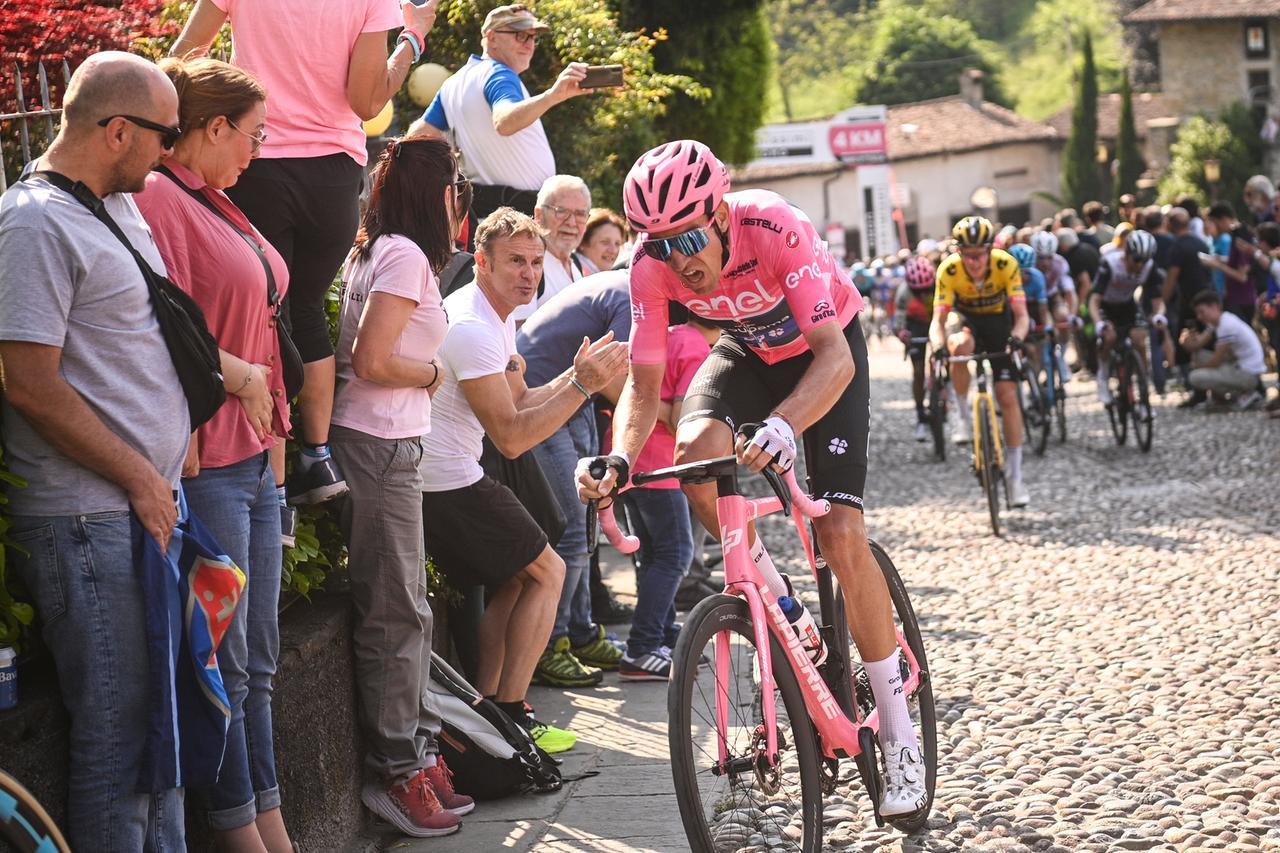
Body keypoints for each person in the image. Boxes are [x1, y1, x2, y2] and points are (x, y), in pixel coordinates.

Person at [576, 139, 928, 817]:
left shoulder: (771, 225)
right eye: (661, 243)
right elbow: (643, 387)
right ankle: (777, 595)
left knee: (840, 531)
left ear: (717, 214)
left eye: (687, 239)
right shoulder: (651, 267)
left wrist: (787, 424)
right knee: (694, 451)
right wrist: (618, 458)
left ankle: (899, 730)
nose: (680, 259)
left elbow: (833, 357)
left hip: (825, 355)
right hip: (747, 351)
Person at [0, 51, 189, 850]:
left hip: (136, 509)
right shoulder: (34, 221)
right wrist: (142, 476)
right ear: (118, 131)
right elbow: (27, 381)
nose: (171, 151)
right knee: (119, 745)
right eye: (165, 135)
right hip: (89, 518)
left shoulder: (111, 206)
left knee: (157, 744)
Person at [172, 0, 441, 512]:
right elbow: (366, 101)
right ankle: (316, 456)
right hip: (332, 173)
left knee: (263, 317)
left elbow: (185, 55)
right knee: (306, 309)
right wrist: (412, 40)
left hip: (255, 158)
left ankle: (271, 485)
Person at [133, 56, 295, 851]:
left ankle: (272, 823)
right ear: (214, 126)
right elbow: (170, 330)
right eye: (253, 136)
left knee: (257, 661)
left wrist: (279, 453)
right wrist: (193, 451)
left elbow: (262, 328)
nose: (258, 152)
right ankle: (240, 835)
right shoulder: (164, 198)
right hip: (214, 463)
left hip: (255, 458)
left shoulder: (217, 201)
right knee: (225, 664)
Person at [419, 208, 627, 754]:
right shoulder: (470, 326)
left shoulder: (498, 315)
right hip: (443, 481)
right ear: (481, 263)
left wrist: (572, 377)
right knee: (548, 571)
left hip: (453, 473)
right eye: (515, 261)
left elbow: (519, 401)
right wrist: (582, 387)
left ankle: (485, 709)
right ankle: (512, 715)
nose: (529, 274)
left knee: (518, 578)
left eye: (535, 263)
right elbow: (511, 437)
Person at [330, 136, 475, 838]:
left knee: (408, 604)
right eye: (455, 186)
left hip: (382, 442)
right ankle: (396, 771)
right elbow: (373, 358)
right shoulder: (405, 256)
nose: (460, 198)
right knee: (395, 611)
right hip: (381, 441)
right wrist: (431, 375)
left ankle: (415, 756)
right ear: (437, 193)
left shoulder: (376, 248)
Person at [516, 270, 634, 688]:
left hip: (576, 394)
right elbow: (627, 387)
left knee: (587, 519)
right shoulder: (632, 297)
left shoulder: (624, 286)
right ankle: (550, 645)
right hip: (541, 396)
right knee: (572, 519)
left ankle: (580, 632)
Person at [414, 4, 591, 222]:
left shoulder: (454, 82)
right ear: (491, 37)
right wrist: (553, 95)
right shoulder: (500, 74)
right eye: (519, 35)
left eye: (533, 37)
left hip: (489, 214)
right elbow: (505, 122)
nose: (529, 44)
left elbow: (416, 138)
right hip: (520, 216)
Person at [612, 315, 715, 680]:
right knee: (675, 555)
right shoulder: (696, 346)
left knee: (653, 557)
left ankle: (662, 633)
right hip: (662, 466)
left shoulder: (667, 335)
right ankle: (642, 646)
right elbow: (683, 418)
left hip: (633, 462)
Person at [932, 216, 1032, 508]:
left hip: (1000, 325)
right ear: (958, 252)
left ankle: (1015, 478)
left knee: (1008, 396)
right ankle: (962, 417)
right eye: (968, 255)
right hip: (967, 322)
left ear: (990, 250)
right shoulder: (949, 269)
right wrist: (938, 344)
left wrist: (1017, 337)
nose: (974, 262)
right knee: (959, 345)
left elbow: (1022, 315)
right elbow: (938, 320)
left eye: (980, 254)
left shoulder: (1005, 265)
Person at [1089, 230, 1167, 407]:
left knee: (1140, 339)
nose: (1140, 265)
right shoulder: (1110, 263)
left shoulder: (1149, 266)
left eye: (1144, 261)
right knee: (1109, 337)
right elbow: (1094, 300)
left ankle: (1143, 383)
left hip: (1127, 305)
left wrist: (1159, 315)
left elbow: (1158, 301)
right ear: (1127, 253)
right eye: (1137, 260)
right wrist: (1098, 323)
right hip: (1106, 306)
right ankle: (1103, 376)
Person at [513, 174, 590, 323]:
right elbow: (519, 336)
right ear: (539, 215)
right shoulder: (528, 267)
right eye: (561, 211)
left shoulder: (576, 264)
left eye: (580, 214)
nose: (571, 222)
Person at [1182, 291, 1267, 410]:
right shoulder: (1220, 320)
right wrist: (1188, 342)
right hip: (1240, 366)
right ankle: (1222, 398)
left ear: (1214, 306)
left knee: (1195, 377)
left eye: (1202, 312)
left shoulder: (1226, 325)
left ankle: (1242, 395)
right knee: (1200, 355)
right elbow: (1197, 346)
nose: (1199, 317)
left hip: (1248, 375)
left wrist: (1197, 366)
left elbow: (1216, 361)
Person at [1162, 207, 1214, 402]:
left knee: (1186, 343)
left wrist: (1163, 301)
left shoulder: (1177, 248)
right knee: (1207, 341)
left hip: (1189, 301)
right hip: (1207, 297)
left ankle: (1196, 387)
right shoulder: (1200, 242)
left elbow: (1172, 278)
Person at [893, 255, 936, 442]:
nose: (924, 294)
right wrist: (902, 333)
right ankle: (920, 416)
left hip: (935, 321)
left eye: (927, 290)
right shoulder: (903, 293)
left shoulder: (939, 285)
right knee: (918, 371)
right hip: (916, 325)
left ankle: (944, 385)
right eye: (918, 291)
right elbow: (899, 322)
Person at [1030, 230, 1078, 380]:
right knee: (1037, 342)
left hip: (1052, 297)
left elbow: (1070, 292)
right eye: (1040, 258)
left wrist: (1072, 315)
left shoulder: (1060, 263)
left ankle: (1061, 357)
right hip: (1031, 302)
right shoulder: (1028, 263)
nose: (1045, 263)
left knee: (1063, 317)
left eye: (1049, 258)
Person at [576, 207, 627, 274]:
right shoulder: (574, 275)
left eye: (617, 244)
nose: (613, 250)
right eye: (605, 242)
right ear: (582, 242)